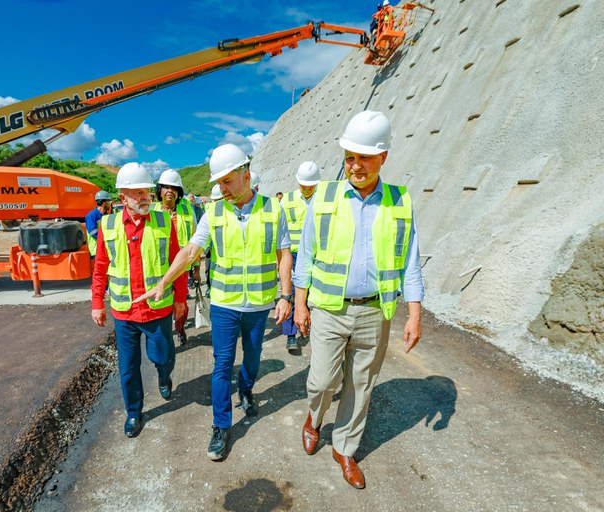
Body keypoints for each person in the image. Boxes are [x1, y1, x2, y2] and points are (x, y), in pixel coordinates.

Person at [134, 143, 293, 461]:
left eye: (227, 181)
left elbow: (284, 253)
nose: (223, 188)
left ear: (246, 175)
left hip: (259, 303)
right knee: (222, 365)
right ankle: (221, 425)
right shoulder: (214, 212)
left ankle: (245, 389)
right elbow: (190, 252)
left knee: (252, 360)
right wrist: (164, 282)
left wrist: (286, 296)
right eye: (219, 183)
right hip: (224, 303)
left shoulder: (273, 209)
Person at [293, 110, 423, 489]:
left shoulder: (400, 201)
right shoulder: (324, 196)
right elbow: (306, 255)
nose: (355, 165)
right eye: (350, 157)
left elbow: (410, 261)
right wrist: (300, 303)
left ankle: (345, 449)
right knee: (322, 381)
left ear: (383, 157)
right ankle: (314, 418)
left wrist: (414, 314)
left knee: (361, 384)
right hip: (329, 308)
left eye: (364, 157)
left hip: (375, 311)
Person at [90, 162, 188, 438]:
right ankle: (134, 412)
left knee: (163, 356)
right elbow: (101, 267)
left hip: (157, 309)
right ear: (123, 198)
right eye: (138, 193)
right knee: (128, 367)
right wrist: (97, 302)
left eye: (146, 191)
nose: (146, 197)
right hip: (124, 311)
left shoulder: (163, 222)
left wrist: (180, 299)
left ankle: (164, 375)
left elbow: (177, 264)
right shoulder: (108, 225)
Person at [152, 169, 199, 346]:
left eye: (174, 188)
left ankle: (180, 328)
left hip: (181, 266)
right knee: (161, 301)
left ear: (179, 192)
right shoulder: (152, 211)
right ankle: (163, 334)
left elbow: (195, 239)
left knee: (181, 303)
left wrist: (196, 268)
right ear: (160, 190)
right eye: (166, 187)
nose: (170, 191)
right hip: (160, 266)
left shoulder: (187, 209)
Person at [280, 161, 321, 352]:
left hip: (316, 255)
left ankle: (310, 326)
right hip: (294, 255)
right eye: (303, 185)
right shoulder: (287, 200)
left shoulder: (322, 199)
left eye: (310, 186)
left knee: (312, 294)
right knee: (292, 293)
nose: (307, 189)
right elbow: (280, 230)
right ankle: (290, 335)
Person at [203, 184, 224, 298]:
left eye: (219, 200)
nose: (217, 203)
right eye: (215, 200)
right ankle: (209, 287)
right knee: (208, 269)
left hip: (223, 249)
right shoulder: (210, 212)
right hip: (210, 247)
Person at [85, 190, 113, 256]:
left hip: (106, 249)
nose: (110, 204)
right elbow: (93, 233)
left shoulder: (106, 215)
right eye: (109, 201)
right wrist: (108, 237)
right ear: (103, 203)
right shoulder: (91, 216)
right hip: (96, 250)